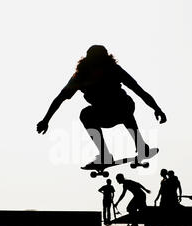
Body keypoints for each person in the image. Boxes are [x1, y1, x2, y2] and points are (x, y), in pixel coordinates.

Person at [36, 45, 167, 166]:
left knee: (120, 104)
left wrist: (157, 109)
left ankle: (139, 146)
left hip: (117, 109)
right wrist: (46, 120)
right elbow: (60, 98)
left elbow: (138, 90)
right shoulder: (81, 76)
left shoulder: (112, 70)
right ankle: (108, 154)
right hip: (104, 113)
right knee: (90, 113)